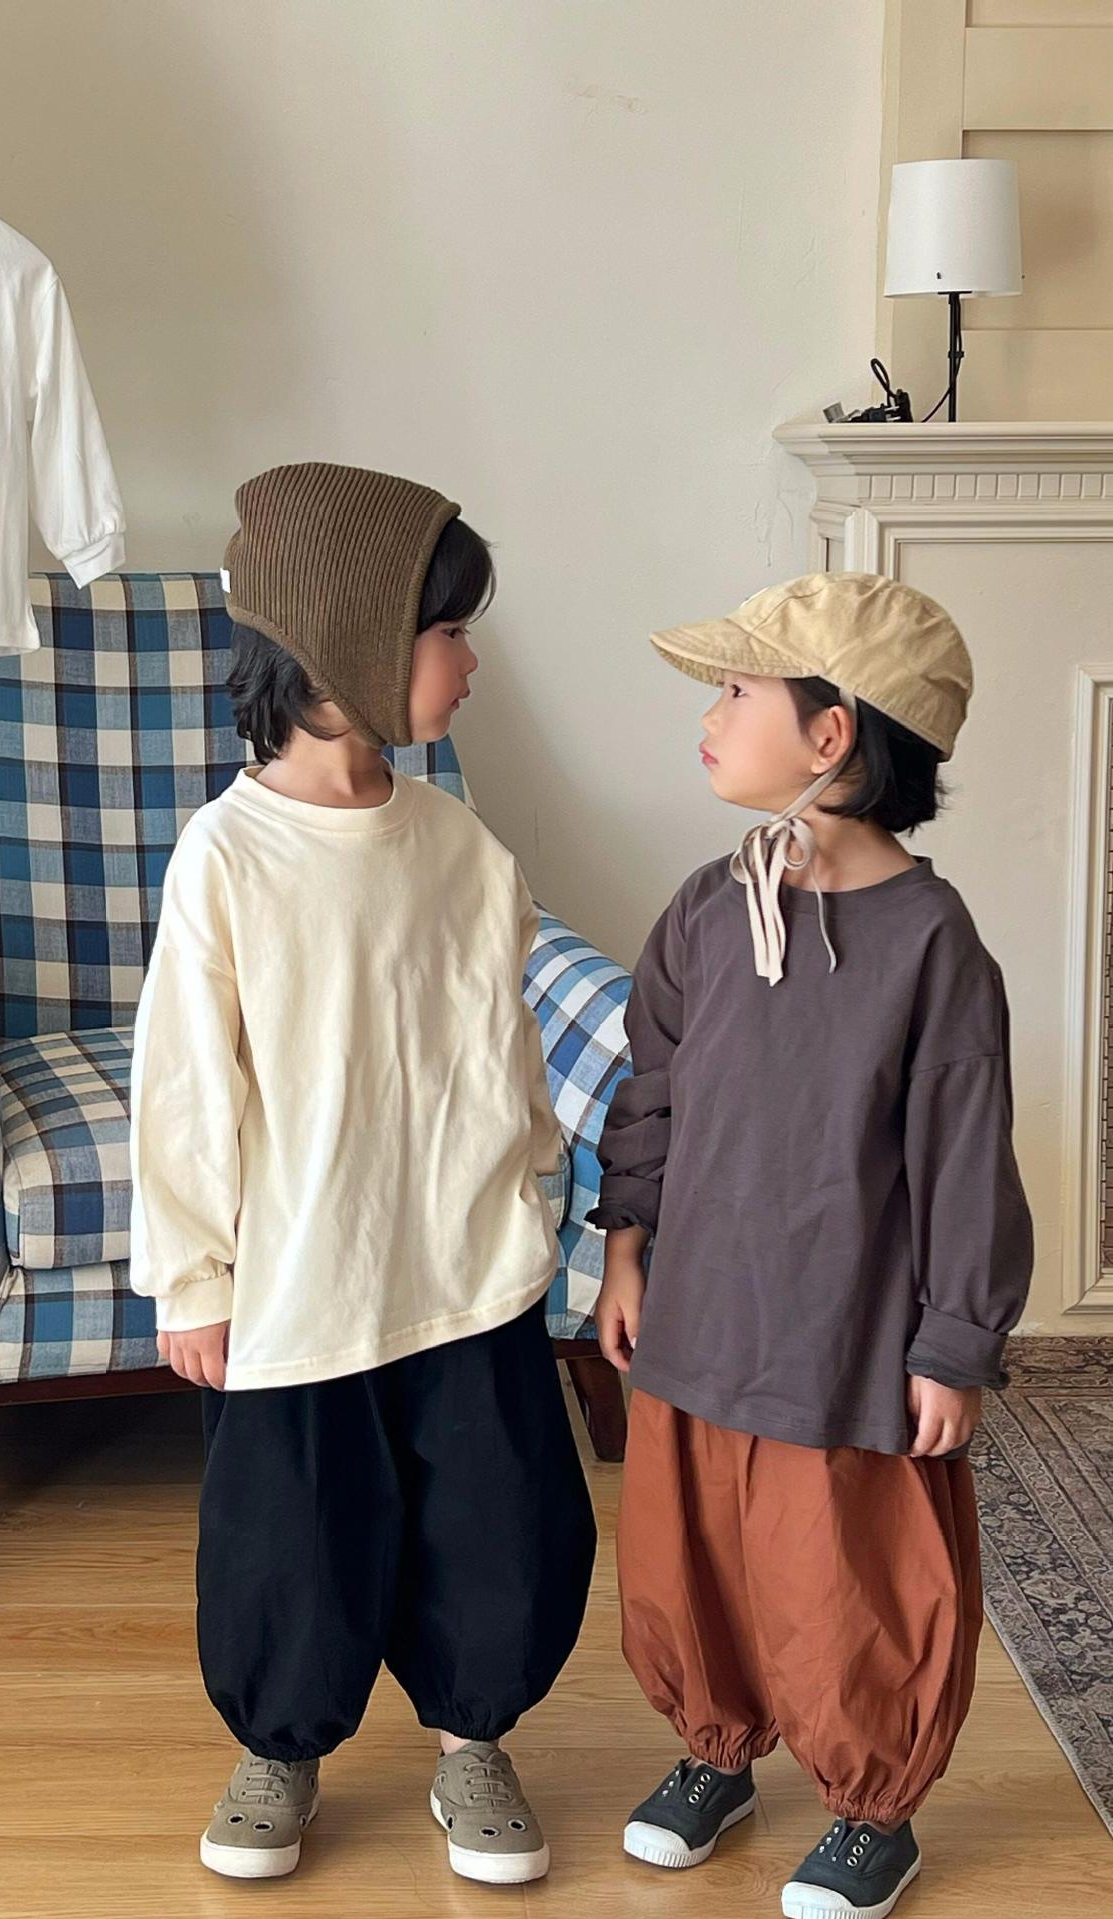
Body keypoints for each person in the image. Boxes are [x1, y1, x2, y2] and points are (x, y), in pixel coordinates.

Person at [128, 461, 596, 1885]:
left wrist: (534, 1194)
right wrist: (194, 1276)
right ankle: (280, 1744)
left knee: (497, 1518)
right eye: (450, 632)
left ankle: (473, 1740)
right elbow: (186, 1084)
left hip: (466, 1263)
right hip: (302, 1276)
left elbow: (505, 1046)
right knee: (295, 1532)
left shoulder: (463, 849)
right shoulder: (227, 860)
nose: (471, 663)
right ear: (350, 648)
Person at [590, 573, 1032, 1919]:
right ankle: (715, 1748)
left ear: (831, 735)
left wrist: (954, 1343)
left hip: (844, 1336)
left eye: (736, 694)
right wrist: (627, 1248)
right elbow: (652, 1086)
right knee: (694, 1554)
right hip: (699, 1315)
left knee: (842, 1576)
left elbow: (965, 1156)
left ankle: (870, 1808)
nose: (709, 718)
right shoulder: (708, 908)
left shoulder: (933, 945)